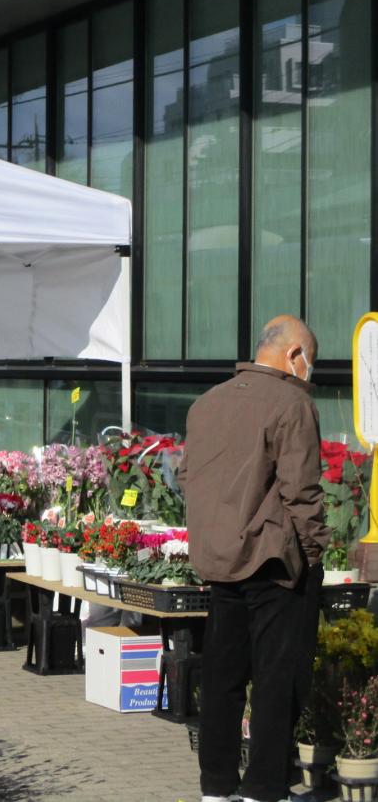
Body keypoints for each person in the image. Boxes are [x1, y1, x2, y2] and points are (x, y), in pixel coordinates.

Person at [182, 315, 328, 802]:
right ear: (293, 355)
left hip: (219, 561)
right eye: (311, 361)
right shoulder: (292, 402)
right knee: (274, 680)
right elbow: (302, 491)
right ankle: (263, 788)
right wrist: (312, 555)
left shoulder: (208, 402)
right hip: (273, 563)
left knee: (222, 678)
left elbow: (188, 478)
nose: (311, 371)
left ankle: (216, 788)